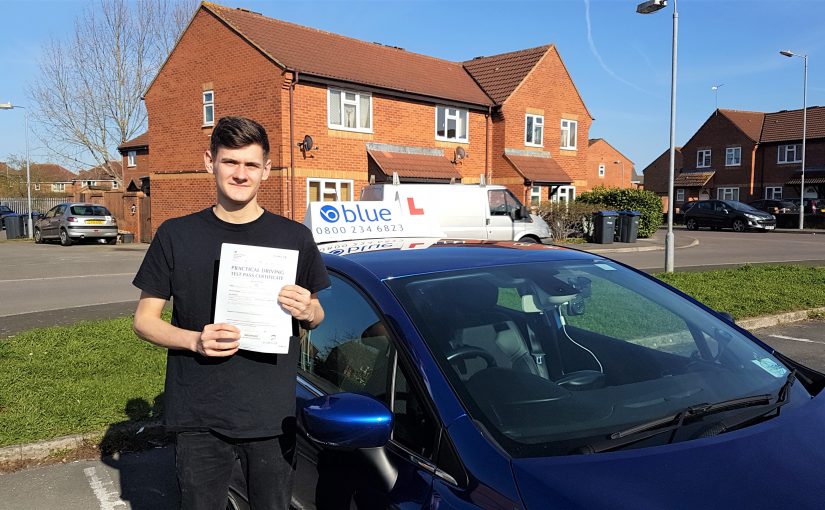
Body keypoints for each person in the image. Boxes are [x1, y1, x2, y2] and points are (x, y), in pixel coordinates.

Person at [132, 116, 330, 510]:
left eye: (251, 165)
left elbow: (318, 315)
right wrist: (194, 340)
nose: (241, 174)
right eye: (230, 162)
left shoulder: (294, 237)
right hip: (199, 414)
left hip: (272, 415)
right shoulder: (176, 234)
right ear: (211, 162)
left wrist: (307, 308)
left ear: (267, 170)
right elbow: (144, 320)